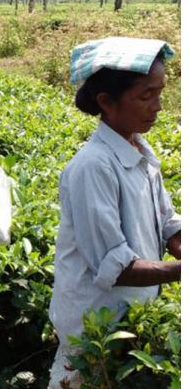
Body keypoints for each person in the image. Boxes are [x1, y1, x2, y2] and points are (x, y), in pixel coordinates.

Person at [48, 37, 181, 388]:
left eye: (160, 92)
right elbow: (116, 267)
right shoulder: (93, 167)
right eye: (145, 95)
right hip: (93, 341)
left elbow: (167, 223)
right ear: (106, 102)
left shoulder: (140, 149)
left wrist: (179, 244)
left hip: (128, 327)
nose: (158, 106)